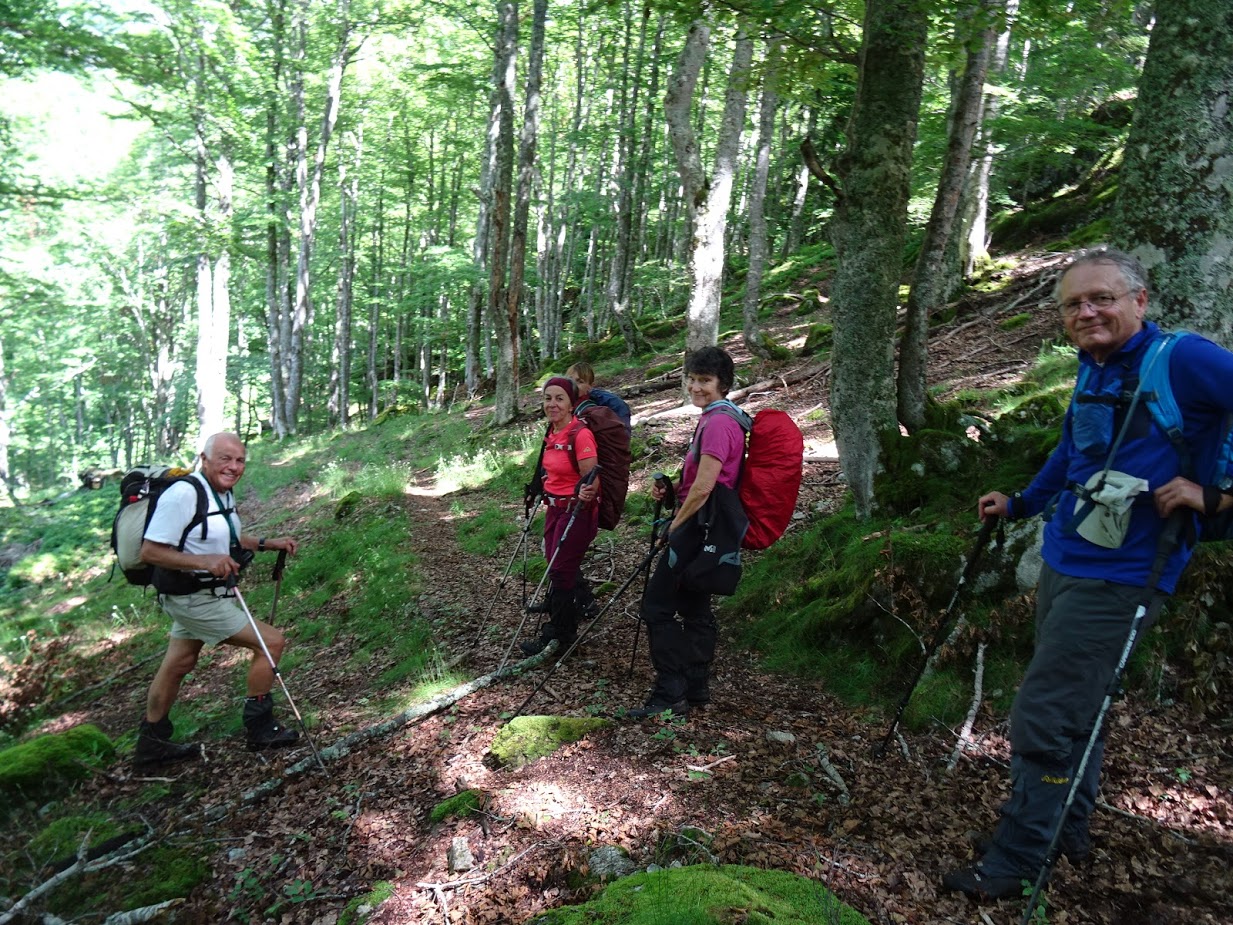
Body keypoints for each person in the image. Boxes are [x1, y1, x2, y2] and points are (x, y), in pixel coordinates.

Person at [942, 247, 1233, 899]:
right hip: (1066, 558)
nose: (1087, 311)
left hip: (1127, 574)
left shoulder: (1183, 360)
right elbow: (1074, 448)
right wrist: (1022, 501)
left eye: (1101, 297)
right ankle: (1066, 828)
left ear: (1139, 300)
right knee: (1078, 707)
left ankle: (1015, 861)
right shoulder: (1093, 365)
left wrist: (1213, 497)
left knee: (1045, 714)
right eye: (1073, 303)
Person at [133, 432, 301, 766]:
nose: (234, 466)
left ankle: (150, 745)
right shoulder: (183, 494)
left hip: (199, 594)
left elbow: (229, 535)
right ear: (204, 458)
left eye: (240, 460)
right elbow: (150, 550)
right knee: (271, 643)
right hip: (194, 598)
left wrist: (269, 543)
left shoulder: (219, 493)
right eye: (225, 458)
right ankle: (260, 728)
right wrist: (205, 562)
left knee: (179, 663)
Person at [629, 346, 750, 719]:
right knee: (695, 604)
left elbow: (705, 487)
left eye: (705, 381)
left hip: (699, 526)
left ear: (723, 384)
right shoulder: (723, 417)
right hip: (708, 525)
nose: (696, 387)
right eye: (693, 379)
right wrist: (672, 490)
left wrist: (674, 525)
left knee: (657, 606)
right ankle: (696, 686)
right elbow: (698, 482)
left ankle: (671, 692)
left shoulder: (717, 423)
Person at [519, 377, 601, 656]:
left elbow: (592, 477)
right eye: (547, 398)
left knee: (560, 570)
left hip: (576, 511)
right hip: (554, 509)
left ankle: (563, 633)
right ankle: (578, 607)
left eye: (559, 398)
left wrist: (588, 492)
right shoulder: (551, 431)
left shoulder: (580, 433)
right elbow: (550, 472)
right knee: (556, 564)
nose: (552, 404)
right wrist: (537, 489)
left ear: (570, 403)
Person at [565, 361, 632, 432]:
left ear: (590, 386)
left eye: (580, 381)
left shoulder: (592, 408)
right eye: (570, 380)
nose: (573, 385)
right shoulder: (560, 400)